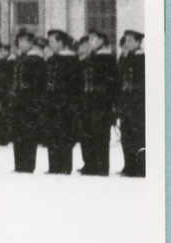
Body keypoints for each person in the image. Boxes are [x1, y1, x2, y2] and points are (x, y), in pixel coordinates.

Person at [80, 29, 119, 176]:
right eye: (90, 39)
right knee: (89, 134)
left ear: (102, 41)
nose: (92, 42)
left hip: (102, 103)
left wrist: (110, 102)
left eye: (95, 39)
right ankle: (90, 165)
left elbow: (113, 83)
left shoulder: (108, 58)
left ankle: (102, 167)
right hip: (89, 101)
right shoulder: (91, 58)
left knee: (101, 136)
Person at [43, 30, 82, 175]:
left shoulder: (71, 60)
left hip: (64, 105)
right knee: (52, 135)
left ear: (61, 43)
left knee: (64, 136)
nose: (50, 44)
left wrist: (69, 103)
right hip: (51, 104)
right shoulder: (53, 59)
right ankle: (54, 166)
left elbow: (75, 85)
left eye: (52, 41)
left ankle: (64, 167)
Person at [8, 29, 46, 173]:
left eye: (25, 41)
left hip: (29, 103)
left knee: (29, 135)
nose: (22, 44)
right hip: (17, 103)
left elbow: (39, 84)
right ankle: (19, 165)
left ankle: (28, 165)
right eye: (20, 41)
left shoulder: (36, 59)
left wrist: (36, 103)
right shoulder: (20, 59)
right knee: (18, 134)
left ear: (31, 43)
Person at [118, 29, 146, 177]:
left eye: (130, 41)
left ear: (138, 42)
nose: (127, 43)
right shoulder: (125, 57)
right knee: (126, 135)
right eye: (126, 40)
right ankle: (129, 166)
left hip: (137, 103)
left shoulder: (142, 58)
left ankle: (141, 167)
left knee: (139, 136)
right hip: (125, 102)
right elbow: (119, 79)